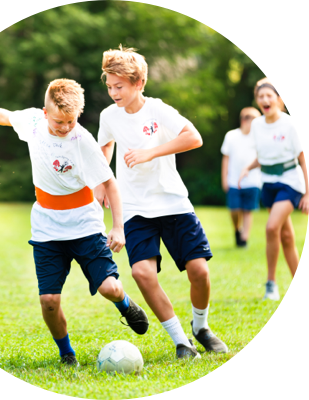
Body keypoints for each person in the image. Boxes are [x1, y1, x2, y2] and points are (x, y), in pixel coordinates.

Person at [0, 78, 149, 366]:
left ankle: (125, 304)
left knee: (109, 288)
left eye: (70, 121)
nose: (64, 127)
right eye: (59, 121)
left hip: (85, 225)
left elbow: (110, 184)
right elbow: (3, 115)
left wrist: (118, 227)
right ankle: (67, 354)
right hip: (47, 228)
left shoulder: (83, 141)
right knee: (49, 301)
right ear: (45, 112)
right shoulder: (34, 122)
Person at [94, 46, 228, 359]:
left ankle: (201, 327)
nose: (114, 93)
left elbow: (193, 137)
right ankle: (182, 342)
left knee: (199, 272)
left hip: (172, 202)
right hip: (134, 207)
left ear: (138, 83)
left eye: (120, 86)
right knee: (142, 273)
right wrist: (101, 184)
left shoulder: (157, 110)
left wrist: (150, 152)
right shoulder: (108, 116)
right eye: (110, 86)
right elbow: (105, 149)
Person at [239, 78, 309, 300]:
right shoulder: (257, 125)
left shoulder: (289, 123)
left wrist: (308, 192)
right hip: (267, 183)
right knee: (286, 236)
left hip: (290, 182)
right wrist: (247, 168)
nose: (265, 99)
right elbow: (263, 157)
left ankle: (271, 283)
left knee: (271, 228)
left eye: (269, 95)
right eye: (261, 96)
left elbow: (302, 158)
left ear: (279, 100)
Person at [221, 107, 262, 247]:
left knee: (247, 210)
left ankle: (244, 239)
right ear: (244, 120)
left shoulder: (258, 138)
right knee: (234, 209)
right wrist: (224, 178)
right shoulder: (231, 136)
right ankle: (237, 230)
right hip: (233, 180)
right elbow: (226, 159)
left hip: (253, 180)